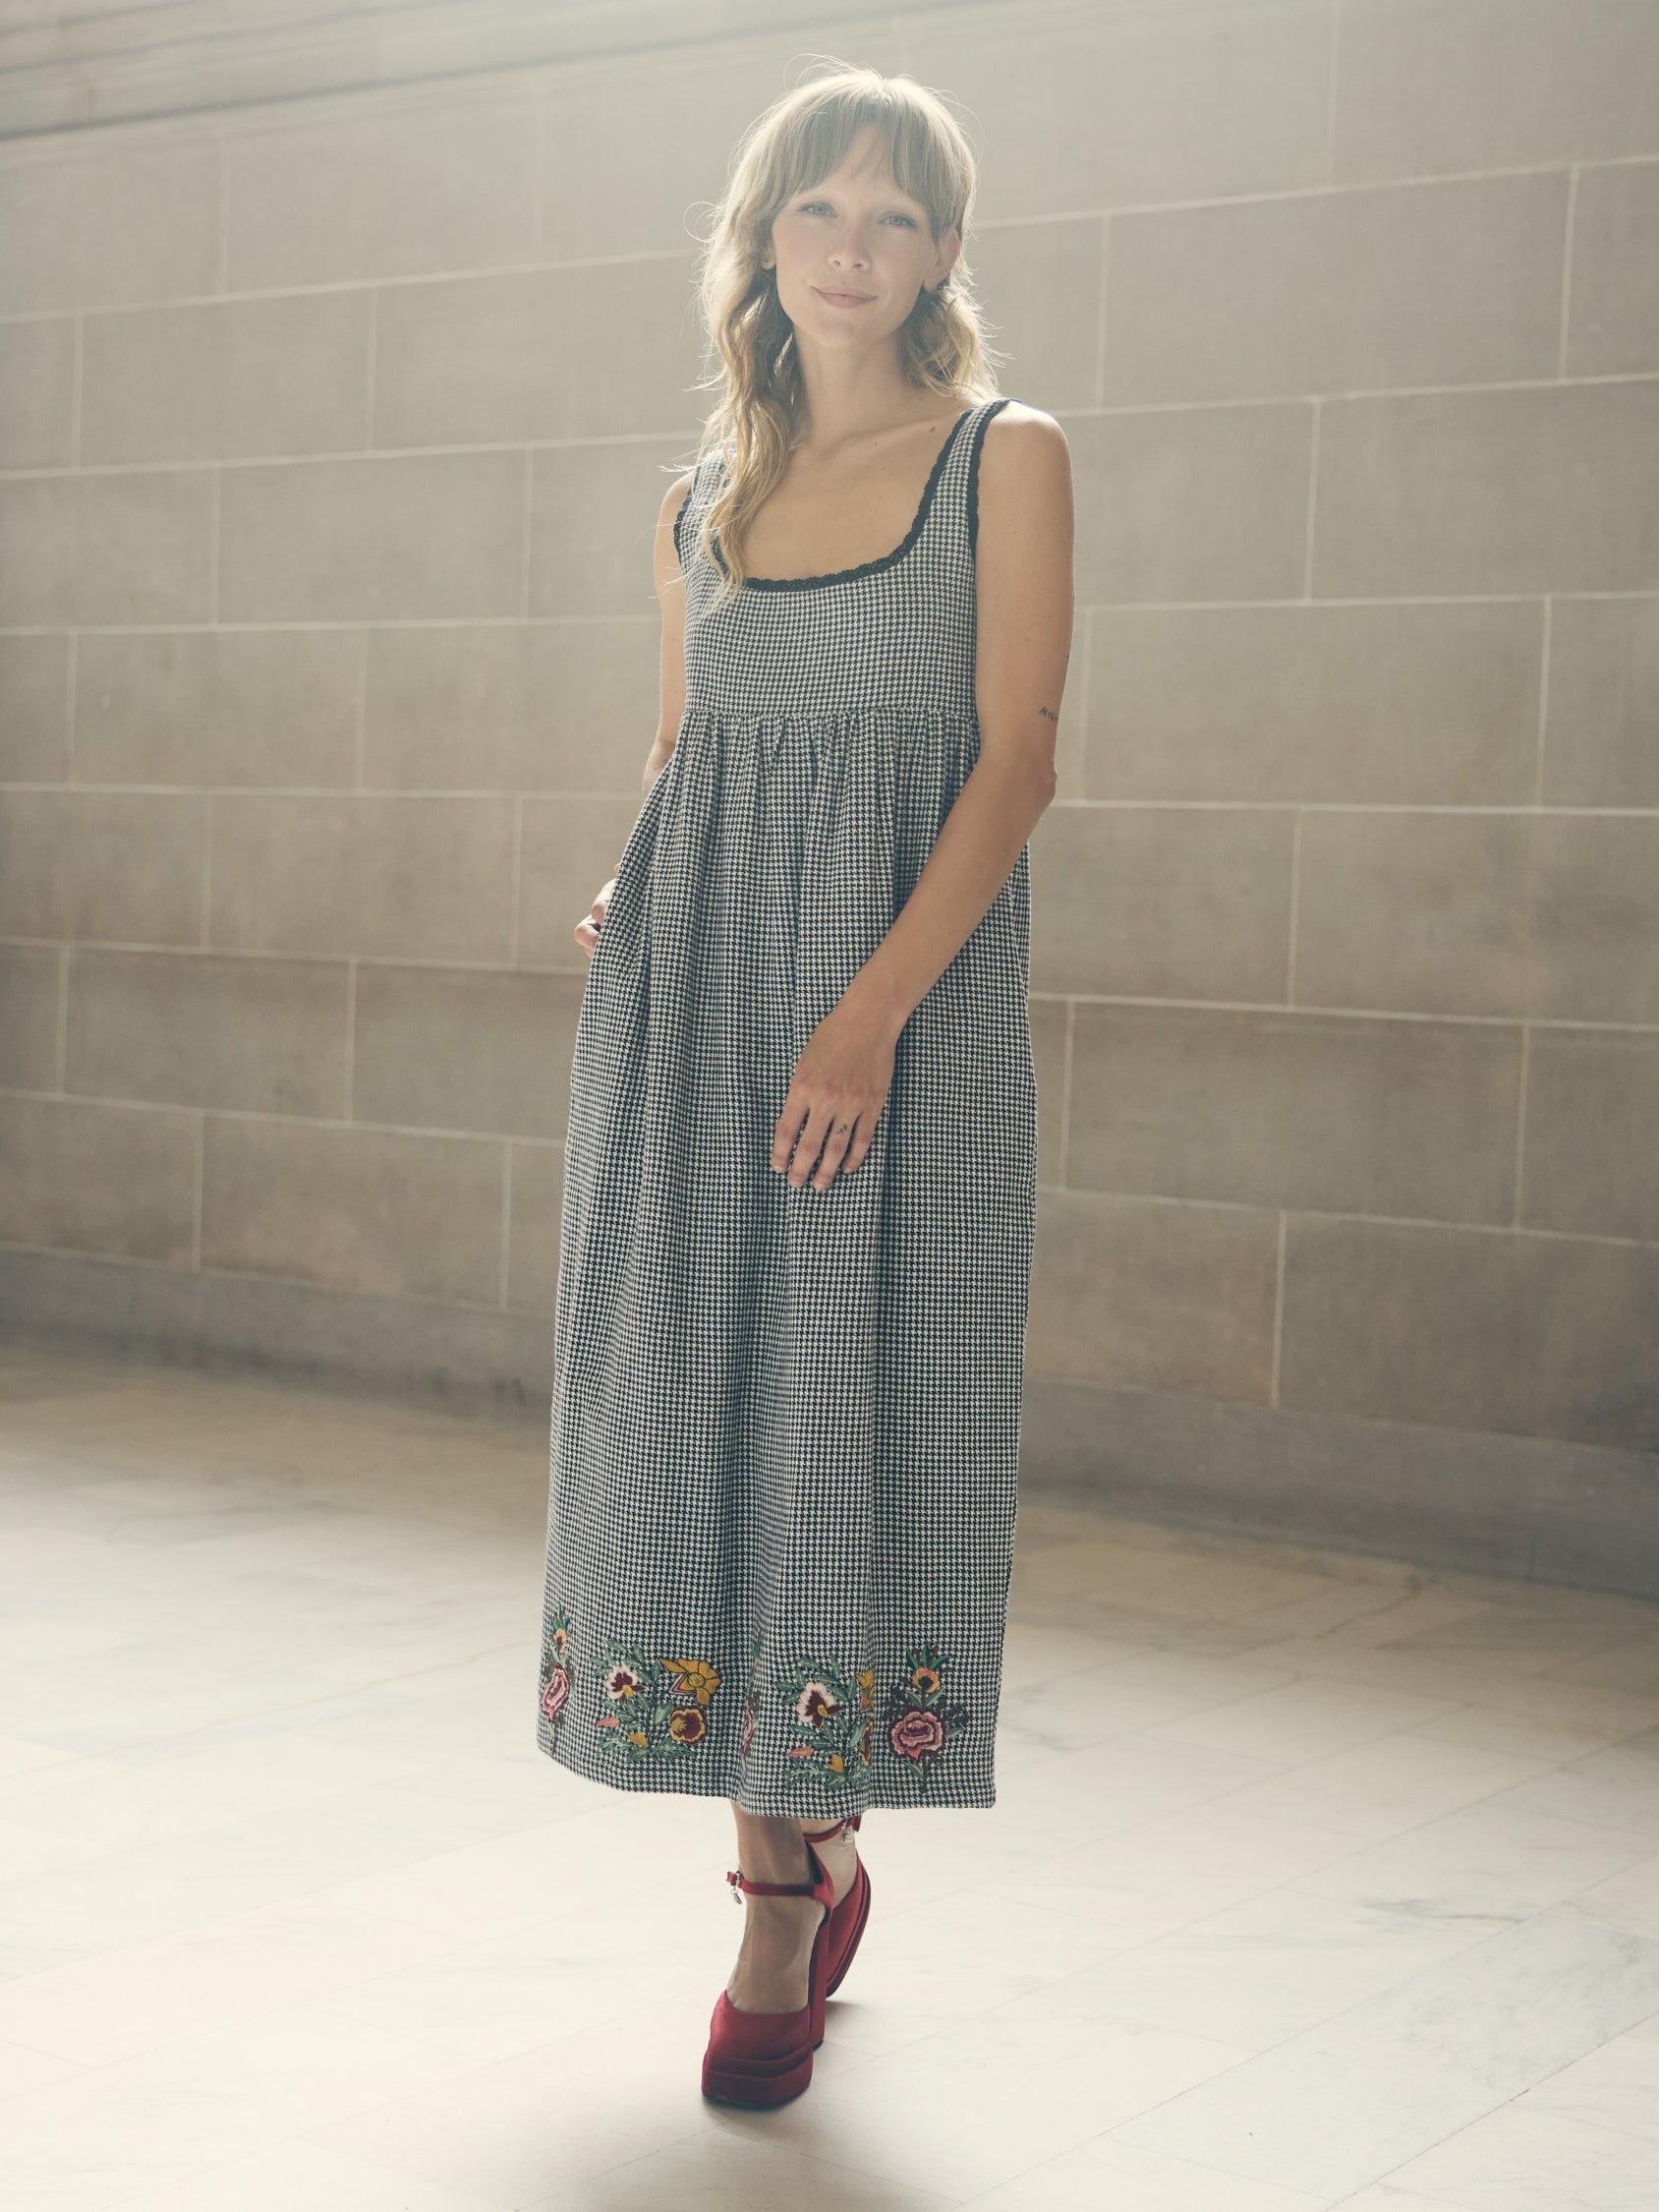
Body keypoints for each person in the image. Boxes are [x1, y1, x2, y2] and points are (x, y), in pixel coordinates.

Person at [536, 60, 1072, 2106]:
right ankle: (783, 1869)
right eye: (820, 210)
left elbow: (1017, 762)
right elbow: (688, 750)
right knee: (693, 1409)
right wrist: (633, 881)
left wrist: (865, 1018)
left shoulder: (1004, 457)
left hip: (894, 1016)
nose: (854, 250)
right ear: (764, 240)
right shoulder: (703, 495)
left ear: (943, 254)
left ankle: (800, 1871)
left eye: (895, 216)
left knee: (841, 1412)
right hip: (689, 1007)